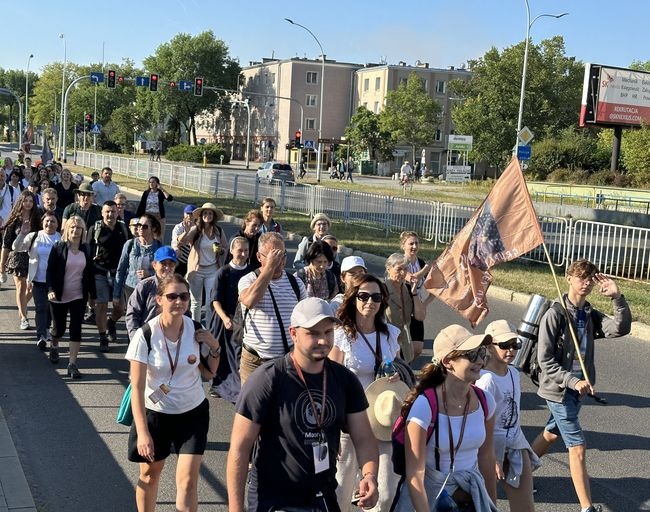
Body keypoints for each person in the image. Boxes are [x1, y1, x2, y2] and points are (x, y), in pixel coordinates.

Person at [226, 297, 380, 512]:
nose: (323, 340)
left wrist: (370, 475)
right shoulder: (268, 379)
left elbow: (364, 438)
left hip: (323, 496)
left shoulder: (344, 380)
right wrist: (235, 508)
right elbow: (240, 450)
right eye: (313, 333)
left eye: (328, 332)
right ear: (294, 334)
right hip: (274, 500)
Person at [531, 260, 631, 512]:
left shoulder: (588, 313)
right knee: (577, 447)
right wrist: (573, 381)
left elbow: (620, 328)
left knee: (551, 434)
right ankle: (587, 508)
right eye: (581, 277)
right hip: (559, 390)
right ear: (568, 278)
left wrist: (617, 298)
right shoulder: (555, 313)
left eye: (590, 278)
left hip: (578, 390)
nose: (586, 283)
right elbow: (545, 361)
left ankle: (517, 471)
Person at [126, 273, 220, 512]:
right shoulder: (145, 335)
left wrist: (215, 347)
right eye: (172, 296)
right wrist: (144, 433)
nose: (179, 301)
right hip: (156, 413)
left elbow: (208, 374)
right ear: (159, 299)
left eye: (184, 296)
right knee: (149, 476)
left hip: (192, 413)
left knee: (188, 482)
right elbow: (136, 388)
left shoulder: (196, 329)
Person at [392, 324, 498, 512]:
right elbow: (415, 473)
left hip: (470, 498)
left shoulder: (485, 401)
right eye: (472, 355)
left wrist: (491, 505)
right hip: (429, 499)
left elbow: (487, 457)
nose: (481, 361)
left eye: (481, 353)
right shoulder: (424, 406)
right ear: (448, 361)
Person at [329, 274, 403, 511]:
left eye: (376, 297)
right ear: (353, 299)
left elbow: (400, 369)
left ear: (382, 302)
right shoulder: (342, 335)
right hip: (351, 423)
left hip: (383, 421)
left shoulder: (390, 334)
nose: (369, 301)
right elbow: (331, 381)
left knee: (385, 494)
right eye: (363, 296)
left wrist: (398, 375)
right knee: (341, 489)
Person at [476, 320, 540, 512]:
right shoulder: (485, 379)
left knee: (525, 507)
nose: (510, 350)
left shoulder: (513, 372)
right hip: (489, 445)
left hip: (515, 441)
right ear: (488, 346)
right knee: (487, 505)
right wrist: (493, 457)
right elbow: (480, 420)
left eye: (515, 345)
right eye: (504, 345)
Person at [237, 232, 306, 384]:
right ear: (259, 257)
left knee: (286, 406)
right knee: (251, 407)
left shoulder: (296, 283)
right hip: (254, 360)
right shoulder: (248, 280)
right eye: (271, 256)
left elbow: (306, 320)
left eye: (281, 255)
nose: (278, 261)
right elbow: (249, 301)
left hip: (288, 359)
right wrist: (269, 268)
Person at [46, 216, 96, 376]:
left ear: (83, 231)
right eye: (72, 228)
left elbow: (89, 274)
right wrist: (50, 289)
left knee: (76, 329)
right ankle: (55, 345)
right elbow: (50, 271)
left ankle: (72, 364)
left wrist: (92, 296)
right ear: (67, 229)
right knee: (59, 329)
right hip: (59, 295)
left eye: (79, 228)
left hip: (78, 296)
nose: (75, 231)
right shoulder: (58, 247)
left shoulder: (87, 249)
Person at [209, 236, 252, 402]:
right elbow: (215, 299)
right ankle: (218, 384)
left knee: (238, 355)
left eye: (246, 250)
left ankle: (239, 387)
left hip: (244, 320)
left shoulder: (252, 272)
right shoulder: (224, 272)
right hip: (224, 319)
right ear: (232, 250)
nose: (242, 254)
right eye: (239, 250)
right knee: (223, 355)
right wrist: (224, 318)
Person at [12, 212, 62, 348]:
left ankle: (46, 329)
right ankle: (41, 336)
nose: (49, 224)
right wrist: (22, 233)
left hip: (55, 283)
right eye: (47, 221)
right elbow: (16, 248)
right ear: (42, 222)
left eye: (52, 221)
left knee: (51, 309)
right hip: (38, 280)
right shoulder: (34, 236)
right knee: (40, 308)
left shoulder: (61, 238)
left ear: (57, 224)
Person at [87, 200, 130, 351]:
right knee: (102, 305)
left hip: (119, 274)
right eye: (107, 212)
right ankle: (102, 336)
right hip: (100, 272)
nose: (110, 214)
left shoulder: (123, 228)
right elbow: (88, 251)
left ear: (117, 212)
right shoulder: (95, 229)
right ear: (102, 213)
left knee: (120, 308)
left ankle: (112, 322)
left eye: (113, 211)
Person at [180, 202, 228, 327]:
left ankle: (207, 329)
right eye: (205, 213)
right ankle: (195, 326)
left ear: (214, 216)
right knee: (196, 302)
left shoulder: (218, 231)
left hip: (212, 269)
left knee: (209, 302)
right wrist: (186, 231)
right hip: (197, 270)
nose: (207, 215)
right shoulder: (196, 229)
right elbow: (182, 241)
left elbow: (225, 248)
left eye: (210, 213)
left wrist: (220, 250)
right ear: (201, 215)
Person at [1, 190, 40, 329]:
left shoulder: (37, 217)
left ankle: (21, 306)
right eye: (25, 201)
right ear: (21, 202)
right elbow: (6, 244)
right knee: (20, 287)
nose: (28, 204)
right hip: (17, 256)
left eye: (31, 201)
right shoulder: (14, 220)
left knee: (31, 288)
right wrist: (2, 267)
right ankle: (24, 317)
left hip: (34, 256)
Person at [125, 246, 179, 340]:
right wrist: (136, 339)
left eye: (171, 264)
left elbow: (185, 314)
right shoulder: (144, 286)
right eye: (163, 263)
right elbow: (132, 314)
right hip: (147, 338)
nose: (167, 267)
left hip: (171, 339)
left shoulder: (179, 287)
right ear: (154, 265)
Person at [384, 253, 425, 364]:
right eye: (398, 269)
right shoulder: (382, 289)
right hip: (387, 344)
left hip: (405, 343)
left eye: (405, 269)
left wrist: (415, 293)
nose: (402, 273)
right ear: (389, 269)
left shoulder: (408, 289)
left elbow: (420, 316)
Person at [113, 214, 162, 306]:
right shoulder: (130, 244)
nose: (140, 228)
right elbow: (121, 269)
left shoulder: (159, 248)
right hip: (131, 287)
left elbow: (164, 273)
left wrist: (150, 274)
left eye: (145, 226)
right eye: (139, 225)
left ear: (153, 229)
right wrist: (116, 294)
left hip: (152, 288)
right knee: (133, 316)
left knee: (148, 317)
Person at [400, 231, 435, 360]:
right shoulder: (400, 262)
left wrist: (424, 304)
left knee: (418, 349)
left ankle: (405, 367)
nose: (414, 246)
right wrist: (426, 269)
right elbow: (411, 278)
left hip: (416, 308)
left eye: (416, 243)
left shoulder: (420, 263)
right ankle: (401, 370)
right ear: (403, 246)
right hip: (401, 306)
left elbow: (435, 287)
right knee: (400, 346)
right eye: (411, 243)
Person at [135, 176, 174, 242]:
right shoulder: (146, 193)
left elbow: (169, 198)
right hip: (148, 217)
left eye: (153, 182)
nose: (151, 183)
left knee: (158, 236)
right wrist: (138, 216)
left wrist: (162, 189)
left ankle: (159, 250)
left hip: (158, 217)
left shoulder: (160, 193)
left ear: (157, 183)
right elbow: (142, 204)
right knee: (147, 235)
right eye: (150, 182)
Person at [171, 204, 196, 277]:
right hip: (180, 259)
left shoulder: (198, 228)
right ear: (184, 214)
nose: (189, 216)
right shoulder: (178, 227)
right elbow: (176, 244)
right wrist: (186, 232)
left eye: (191, 214)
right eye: (187, 214)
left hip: (193, 261)